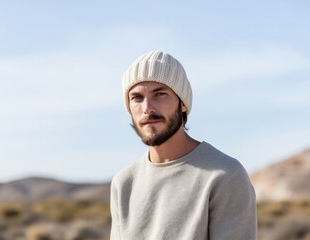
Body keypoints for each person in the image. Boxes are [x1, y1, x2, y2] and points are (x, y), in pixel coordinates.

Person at [110, 50, 257, 240]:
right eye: (137, 98)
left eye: (160, 94)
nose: (147, 108)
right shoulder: (123, 184)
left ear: (183, 104)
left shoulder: (224, 176)